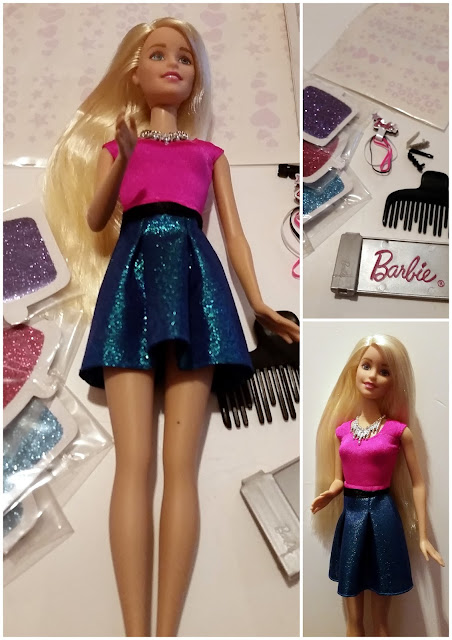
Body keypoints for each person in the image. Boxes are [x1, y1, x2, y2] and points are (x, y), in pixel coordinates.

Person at [44, 17, 299, 638]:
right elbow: (97, 218)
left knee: (180, 470)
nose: (172, 65)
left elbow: (234, 235)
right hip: (130, 284)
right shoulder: (117, 147)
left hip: (196, 288)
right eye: (157, 55)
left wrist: (259, 304)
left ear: (195, 77)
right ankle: (136, 630)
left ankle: (165, 631)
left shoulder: (209, 155)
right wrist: (124, 160)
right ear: (134, 71)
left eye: (184, 57)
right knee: (134, 464)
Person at [310, 334, 444, 637]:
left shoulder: (398, 432)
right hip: (351, 517)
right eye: (366, 366)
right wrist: (330, 493)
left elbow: (418, 483)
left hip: (383, 517)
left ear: (395, 381)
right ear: (354, 369)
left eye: (384, 371)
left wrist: (423, 536)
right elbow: (339, 479)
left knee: (382, 622)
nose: (372, 376)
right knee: (353, 619)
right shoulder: (342, 432)